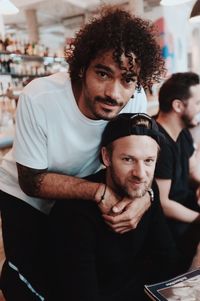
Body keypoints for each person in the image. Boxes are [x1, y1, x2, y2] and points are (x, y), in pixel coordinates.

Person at [0, 6, 165, 300]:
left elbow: (138, 153)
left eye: (127, 79)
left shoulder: (134, 98)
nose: (114, 93)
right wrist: (99, 193)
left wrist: (147, 198)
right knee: (31, 282)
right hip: (26, 198)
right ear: (81, 67)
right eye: (103, 73)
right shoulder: (40, 98)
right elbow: (32, 181)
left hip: (82, 196)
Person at [49, 113, 183, 301]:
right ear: (106, 157)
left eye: (149, 161)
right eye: (128, 159)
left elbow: (167, 258)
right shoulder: (74, 213)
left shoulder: (148, 192)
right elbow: (81, 294)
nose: (140, 174)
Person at [155, 72, 200, 269]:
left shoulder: (183, 134)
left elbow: (193, 172)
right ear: (178, 106)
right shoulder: (157, 143)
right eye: (197, 103)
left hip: (186, 208)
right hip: (169, 226)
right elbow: (163, 204)